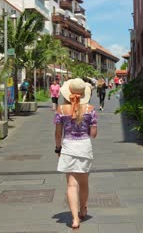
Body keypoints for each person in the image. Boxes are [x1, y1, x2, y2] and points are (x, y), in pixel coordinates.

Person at [54, 78, 97, 230]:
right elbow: (93, 134)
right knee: (84, 183)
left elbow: (58, 133)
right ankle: (83, 208)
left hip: (68, 147)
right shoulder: (90, 110)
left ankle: (74, 219)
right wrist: (91, 125)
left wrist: (58, 148)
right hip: (84, 147)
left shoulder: (60, 110)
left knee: (71, 185)